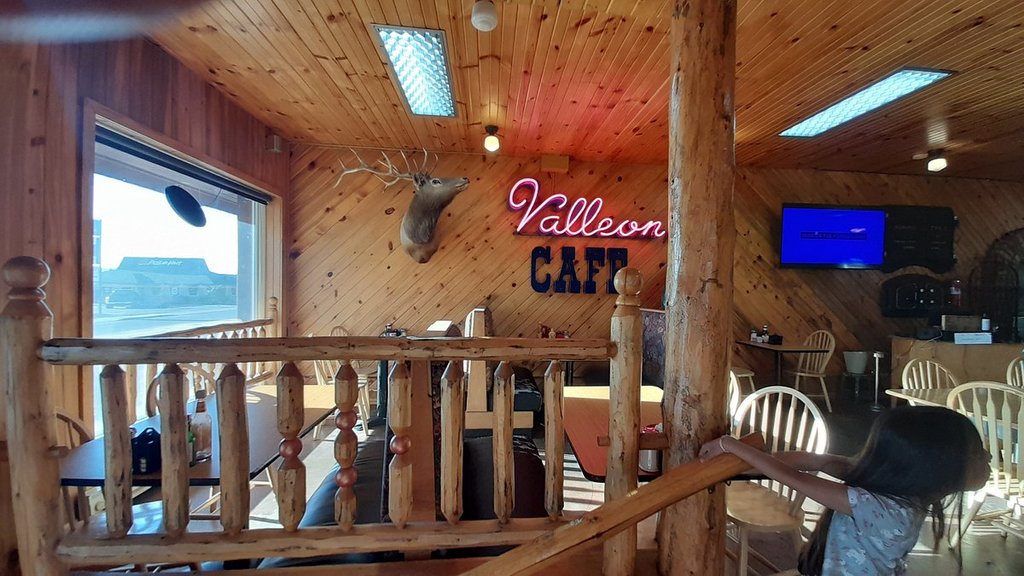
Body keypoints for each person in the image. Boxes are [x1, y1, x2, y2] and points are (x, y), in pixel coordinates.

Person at [699, 406, 990, 576]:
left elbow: (792, 477)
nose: (988, 457)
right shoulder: (900, 495)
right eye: (978, 453)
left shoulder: (885, 508)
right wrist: (740, 468)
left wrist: (730, 444)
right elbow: (816, 461)